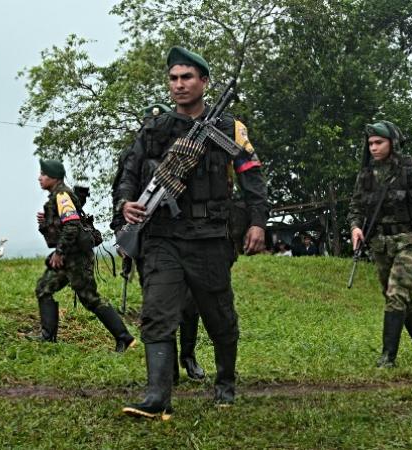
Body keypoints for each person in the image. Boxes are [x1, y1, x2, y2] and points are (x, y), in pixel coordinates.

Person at [117, 47, 269, 419]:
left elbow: (252, 176)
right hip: (163, 237)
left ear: (203, 82)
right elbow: (128, 173)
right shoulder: (154, 128)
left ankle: (225, 383)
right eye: (173, 78)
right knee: (156, 312)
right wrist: (124, 204)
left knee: (218, 314)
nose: (179, 85)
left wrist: (257, 222)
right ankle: (157, 397)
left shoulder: (230, 129)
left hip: (210, 236)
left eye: (187, 77)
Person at [111, 104, 207, 384]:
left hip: (187, 235)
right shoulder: (131, 157)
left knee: (191, 303)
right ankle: (168, 372)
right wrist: (122, 231)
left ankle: (188, 355)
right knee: (157, 304)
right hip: (148, 237)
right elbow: (121, 191)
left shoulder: (185, 152)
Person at [347, 120, 412, 368]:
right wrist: (355, 228)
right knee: (398, 296)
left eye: (379, 142)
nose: (373, 147)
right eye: (370, 143)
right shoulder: (365, 174)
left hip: (410, 242)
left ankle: (387, 358)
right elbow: (355, 208)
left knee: (396, 295)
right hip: (380, 246)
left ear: (393, 142)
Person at [30, 159, 137, 352]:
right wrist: (47, 221)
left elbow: (72, 226)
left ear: (54, 177)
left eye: (43, 174)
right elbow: (62, 226)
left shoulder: (62, 195)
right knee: (44, 288)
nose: (39, 178)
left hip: (75, 257)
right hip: (69, 257)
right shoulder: (58, 195)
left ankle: (125, 338)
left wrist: (59, 252)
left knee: (89, 298)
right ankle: (48, 338)